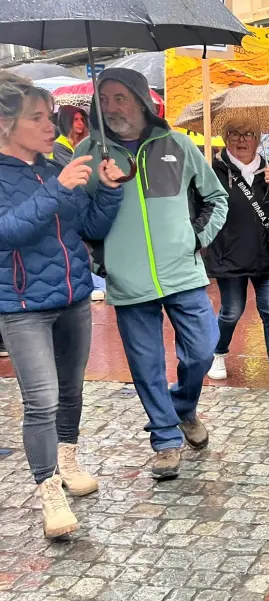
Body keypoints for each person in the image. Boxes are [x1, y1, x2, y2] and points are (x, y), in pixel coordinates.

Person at [74, 68, 229, 480]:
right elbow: (74, 218)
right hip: (127, 281)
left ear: (142, 100)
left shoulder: (177, 144)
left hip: (182, 273)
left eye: (120, 97)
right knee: (145, 366)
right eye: (103, 99)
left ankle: (182, 408)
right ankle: (164, 438)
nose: (110, 107)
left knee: (202, 349)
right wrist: (99, 262)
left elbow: (216, 197)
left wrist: (196, 240)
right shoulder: (89, 153)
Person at [0, 72, 125, 538]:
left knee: (71, 392)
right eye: (37, 118)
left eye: (49, 116)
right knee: (41, 401)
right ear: (5, 124)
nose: (51, 125)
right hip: (23, 305)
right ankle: (48, 490)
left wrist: (110, 190)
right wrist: (56, 190)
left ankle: (69, 460)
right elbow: (6, 232)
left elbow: (87, 227)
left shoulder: (56, 167)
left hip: (73, 295)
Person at [204, 119, 269, 395]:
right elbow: (201, 209)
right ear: (224, 137)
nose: (241, 139)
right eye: (234, 133)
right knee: (231, 311)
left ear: (258, 138)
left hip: (265, 255)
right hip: (229, 254)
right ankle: (219, 352)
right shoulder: (213, 170)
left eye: (248, 133)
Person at [52, 105, 108, 302]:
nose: (80, 123)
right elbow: (74, 170)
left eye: (82, 119)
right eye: (75, 120)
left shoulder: (88, 142)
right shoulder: (60, 145)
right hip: (73, 199)